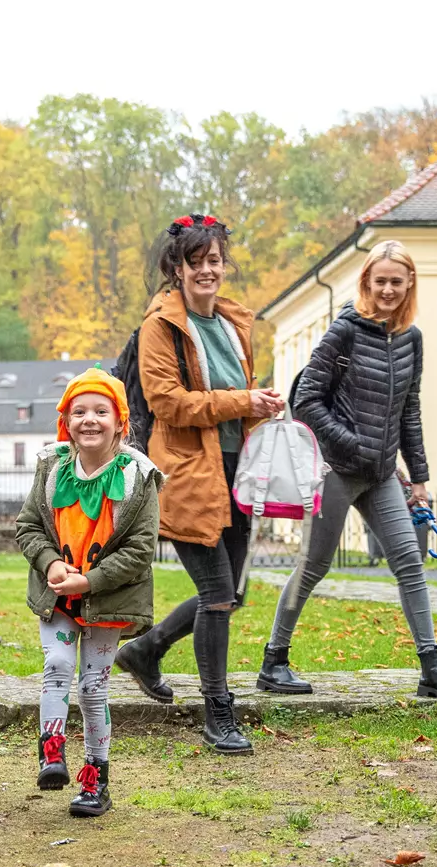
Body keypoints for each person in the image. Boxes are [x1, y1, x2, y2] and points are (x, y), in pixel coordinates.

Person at [257, 240, 437, 699]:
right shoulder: (345, 331)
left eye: (397, 281)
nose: (388, 290)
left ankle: (431, 669)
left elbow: (409, 411)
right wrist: (353, 442)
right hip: (335, 468)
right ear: (367, 283)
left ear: (409, 283)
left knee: (410, 563)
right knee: (314, 565)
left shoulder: (412, 339)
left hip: (382, 475)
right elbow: (306, 401)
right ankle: (274, 661)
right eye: (381, 282)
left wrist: (420, 477)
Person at [113, 213, 284, 755]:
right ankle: (217, 712)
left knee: (228, 595)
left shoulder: (233, 325)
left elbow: (237, 400)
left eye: (215, 260)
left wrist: (263, 405)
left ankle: (145, 651)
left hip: (239, 471)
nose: (208, 270)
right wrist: (242, 401)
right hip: (188, 472)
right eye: (196, 261)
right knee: (216, 596)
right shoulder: (159, 327)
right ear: (177, 268)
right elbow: (166, 403)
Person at [15, 367, 162, 817]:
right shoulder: (53, 468)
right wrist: (52, 563)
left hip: (107, 600)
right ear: (66, 420)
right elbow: (28, 527)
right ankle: (51, 752)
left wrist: (91, 580)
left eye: (101, 411)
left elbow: (141, 549)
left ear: (121, 421)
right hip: (59, 593)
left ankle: (96, 777)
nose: (89, 420)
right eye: (79, 411)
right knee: (57, 665)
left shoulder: (138, 476)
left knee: (93, 688)